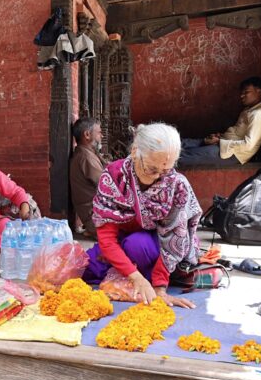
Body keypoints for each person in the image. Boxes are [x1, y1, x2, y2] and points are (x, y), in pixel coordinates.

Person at [84, 123, 200, 309]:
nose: (158, 177)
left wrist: (159, 287)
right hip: (122, 239)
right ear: (135, 151)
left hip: (157, 244)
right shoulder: (114, 177)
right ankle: (134, 271)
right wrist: (135, 277)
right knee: (86, 268)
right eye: (152, 169)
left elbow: (175, 240)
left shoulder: (177, 185)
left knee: (137, 245)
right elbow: (107, 238)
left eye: (165, 170)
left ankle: (145, 274)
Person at [178, 77, 261, 167]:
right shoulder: (249, 110)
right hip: (224, 144)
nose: (242, 96)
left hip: (231, 154)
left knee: (183, 156)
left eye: (246, 92)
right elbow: (238, 133)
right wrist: (220, 136)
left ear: (258, 91)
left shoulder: (258, 115)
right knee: (185, 143)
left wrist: (220, 141)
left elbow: (248, 145)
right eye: (241, 93)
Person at [70, 117, 105, 237]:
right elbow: (108, 186)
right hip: (97, 219)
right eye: (99, 132)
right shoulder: (86, 157)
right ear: (87, 134)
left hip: (96, 216)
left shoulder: (87, 154)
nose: (102, 136)